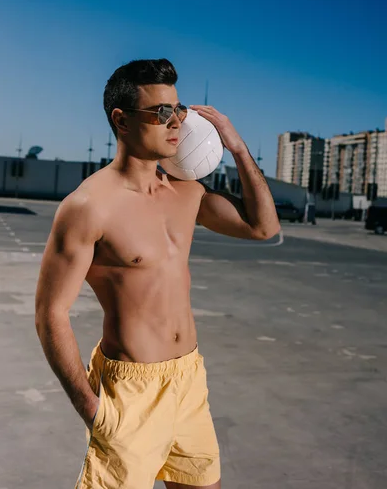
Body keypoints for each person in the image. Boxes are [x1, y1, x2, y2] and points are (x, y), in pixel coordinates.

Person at [35, 59, 280, 489]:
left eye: (178, 108)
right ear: (122, 121)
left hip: (189, 381)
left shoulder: (187, 193)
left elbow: (264, 227)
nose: (177, 121)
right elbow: (50, 313)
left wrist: (238, 147)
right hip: (130, 394)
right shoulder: (89, 206)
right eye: (161, 111)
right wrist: (92, 408)